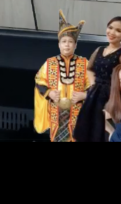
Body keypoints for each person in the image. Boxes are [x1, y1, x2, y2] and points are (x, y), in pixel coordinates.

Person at [74, 16, 121, 142]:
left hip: (112, 96)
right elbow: (90, 69)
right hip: (94, 94)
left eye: (118, 30)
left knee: (104, 133)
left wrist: (118, 99)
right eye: (110, 28)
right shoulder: (99, 50)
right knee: (87, 131)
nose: (112, 32)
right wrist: (92, 85)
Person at [34, 12, 89, 142]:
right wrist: (49, 93)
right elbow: (39, 81)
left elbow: (94, 85)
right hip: (56, 112)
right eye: (64, 41)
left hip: (78, 112)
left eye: (70, 42)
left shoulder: (84, 63)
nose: (67, 44)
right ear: (59, 44)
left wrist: (84, 95)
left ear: (75, 45)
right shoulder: (50, 63)